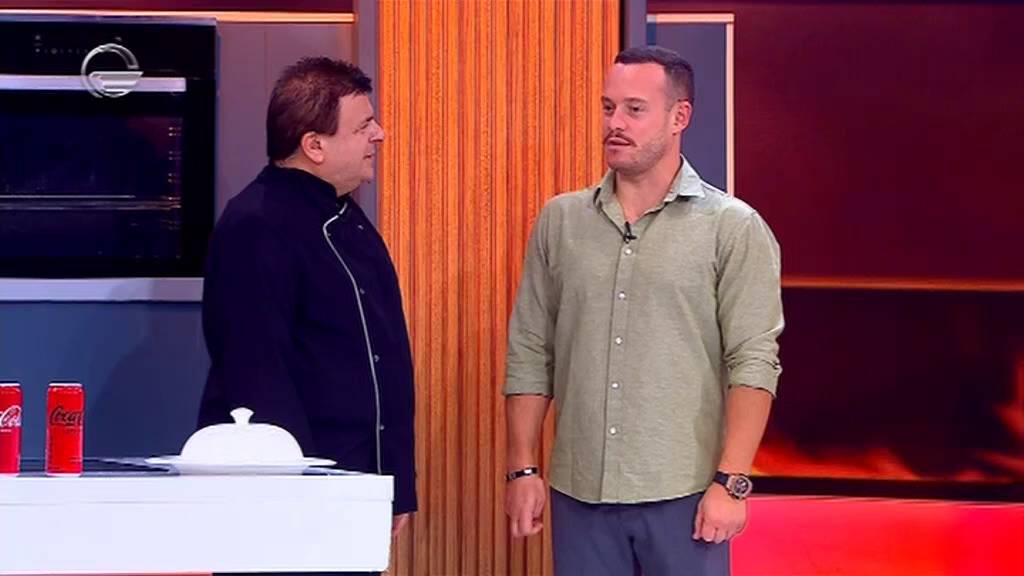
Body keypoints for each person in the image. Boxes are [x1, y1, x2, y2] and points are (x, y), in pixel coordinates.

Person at [503, 45, 784, 576]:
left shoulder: (732, 227)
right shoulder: (561, 221)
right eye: (608, 107)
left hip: (686, 496)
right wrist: (522, 469)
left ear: (680, 117)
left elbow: (753, 361)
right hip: (579, 494)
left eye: (635, 109)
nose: (615, 123)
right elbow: (530, 350)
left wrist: (731, 483)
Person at [197, 57, 416, 575]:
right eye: (363, 126)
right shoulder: (256, 225)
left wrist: (394, 481)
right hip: (289, 507)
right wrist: (305, 498)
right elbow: (257, 375)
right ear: (314, 145)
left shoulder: (347, 215)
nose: (380, 135)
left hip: (353, 489)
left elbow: (383, 358)